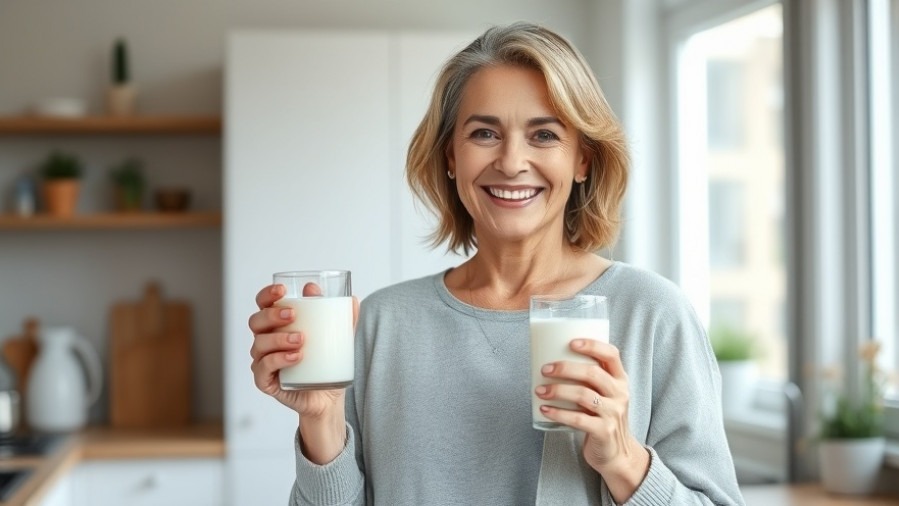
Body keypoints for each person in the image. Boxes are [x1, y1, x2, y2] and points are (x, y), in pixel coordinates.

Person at [249, 22, 746, 506]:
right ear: (450, 157)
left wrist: (622, 458)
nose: (510, 162)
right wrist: (320, 420)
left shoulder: (652, 315)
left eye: (544, 135)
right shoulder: (382, 323)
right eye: (484, 133)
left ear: (583, 160)